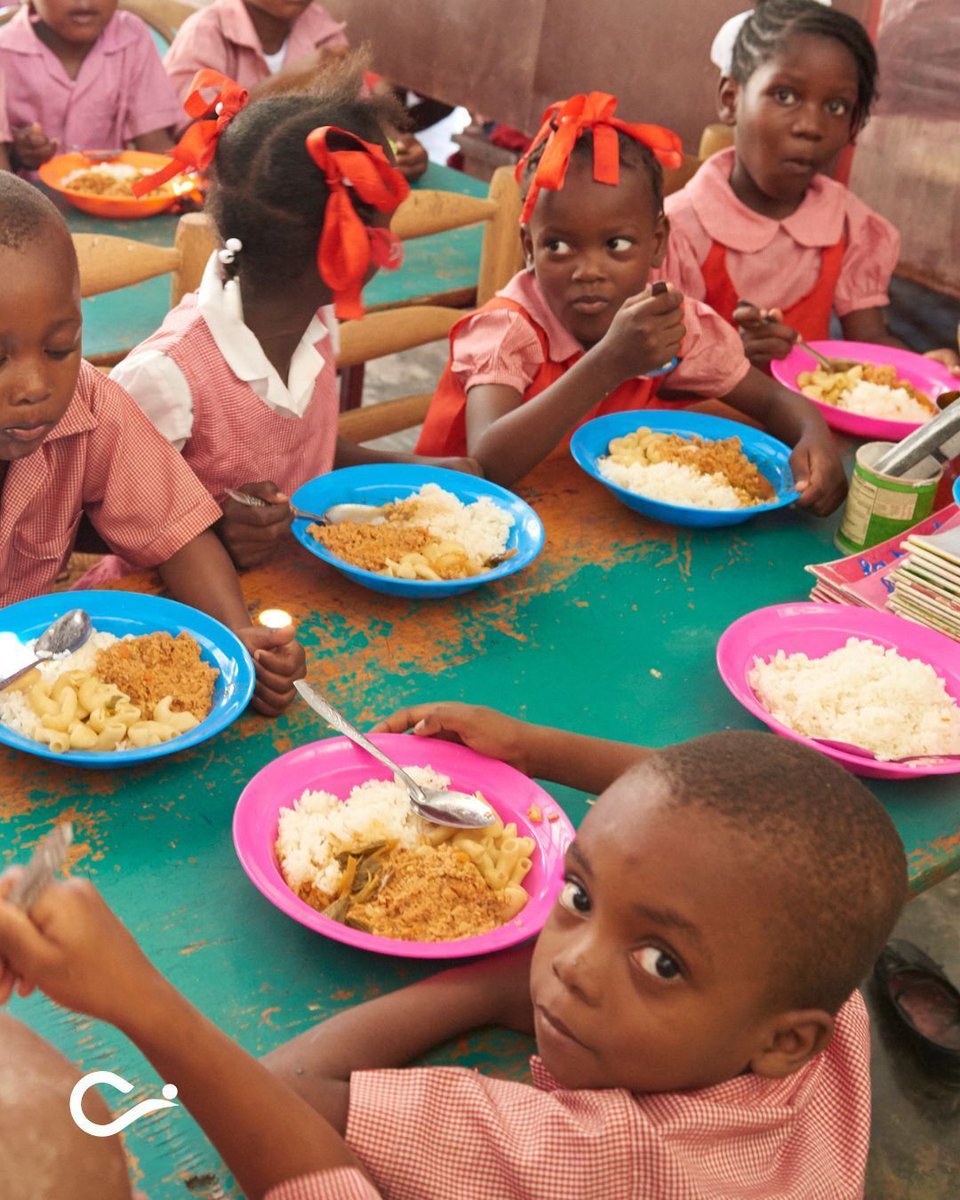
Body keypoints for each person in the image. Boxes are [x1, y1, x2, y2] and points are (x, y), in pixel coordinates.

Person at [0, 724, 906, 1199]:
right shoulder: (814, 984)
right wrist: (534, 749)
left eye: (661, 963)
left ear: (786, 1040)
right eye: (579, 894)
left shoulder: (600, 1155)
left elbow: (292, 1097)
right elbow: (783, 809)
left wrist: (141, 1002)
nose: (573, 966)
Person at [111, 65, 474, 571]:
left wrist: (424, 472)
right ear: (343, 252)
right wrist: (213, 528)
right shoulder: (167, 378)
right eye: (383, 230)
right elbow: (94, 517)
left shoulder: (315, 321)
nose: (393, 246)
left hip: (294, 581)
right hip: (171, 608)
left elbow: (306, 445)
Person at [414, 92, 846, 514]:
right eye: (558, 246)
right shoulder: (508, 330)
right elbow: (486, 465)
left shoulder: (668, 323)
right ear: (529, 248)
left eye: (616, 244)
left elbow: (771, 401)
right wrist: (608, 363)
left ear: (657, 242)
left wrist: (813, 436)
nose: (588, 271)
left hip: (587, 520)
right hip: (455, 522)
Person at [0, 172, 304, 715]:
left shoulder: (88, 407)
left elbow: (177, 533)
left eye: (59, 349)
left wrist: (237, 637)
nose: (34, 387)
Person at [663, 0, 959, 372]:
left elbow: (869, 341)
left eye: (836, 107)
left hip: (811, 411)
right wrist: (731, 356)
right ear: (731, 99)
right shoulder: (676, 231)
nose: (811, 126)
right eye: (785, 96)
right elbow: (655, 372)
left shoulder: (847, 223)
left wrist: (922, 368)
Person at [163, 0, 427, 179]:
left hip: (306, 189)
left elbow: (359, 115)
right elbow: (194, 142)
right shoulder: (206, 31)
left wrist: (398, 147)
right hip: (235, 198)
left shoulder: (321, 28)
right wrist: (285, 82)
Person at [0, 0, 179, 174]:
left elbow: (154, 142)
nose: (84, 2)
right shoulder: (4, 51)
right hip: (26, 192)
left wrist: (180, 183)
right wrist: (14, 153)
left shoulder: (131, 37)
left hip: (110, 189)